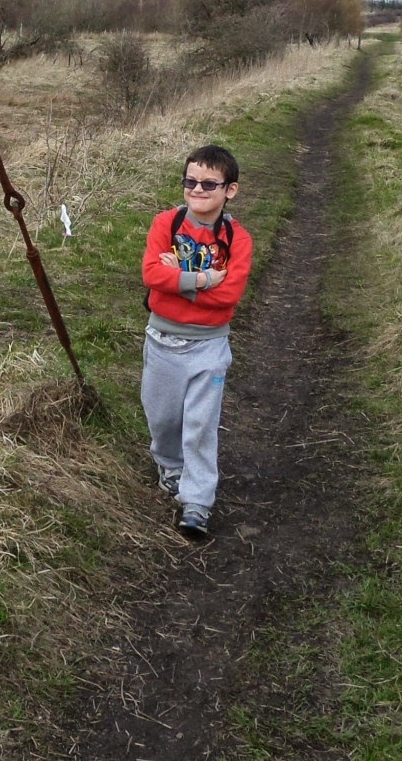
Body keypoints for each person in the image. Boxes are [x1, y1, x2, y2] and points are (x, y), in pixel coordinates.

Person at [140, 144, 253, 538]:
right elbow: (151, 276)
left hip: (209, 347)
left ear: (230, 190)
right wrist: (203, 280)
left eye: (209, 184)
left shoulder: (237, 239)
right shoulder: (166, 224)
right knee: (163, 420)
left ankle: (197, 502)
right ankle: (171, 467)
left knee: (201, 425)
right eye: (190, 182)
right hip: (162, 341)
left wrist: (176, 281)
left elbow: (229, 296)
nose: (197, 190)